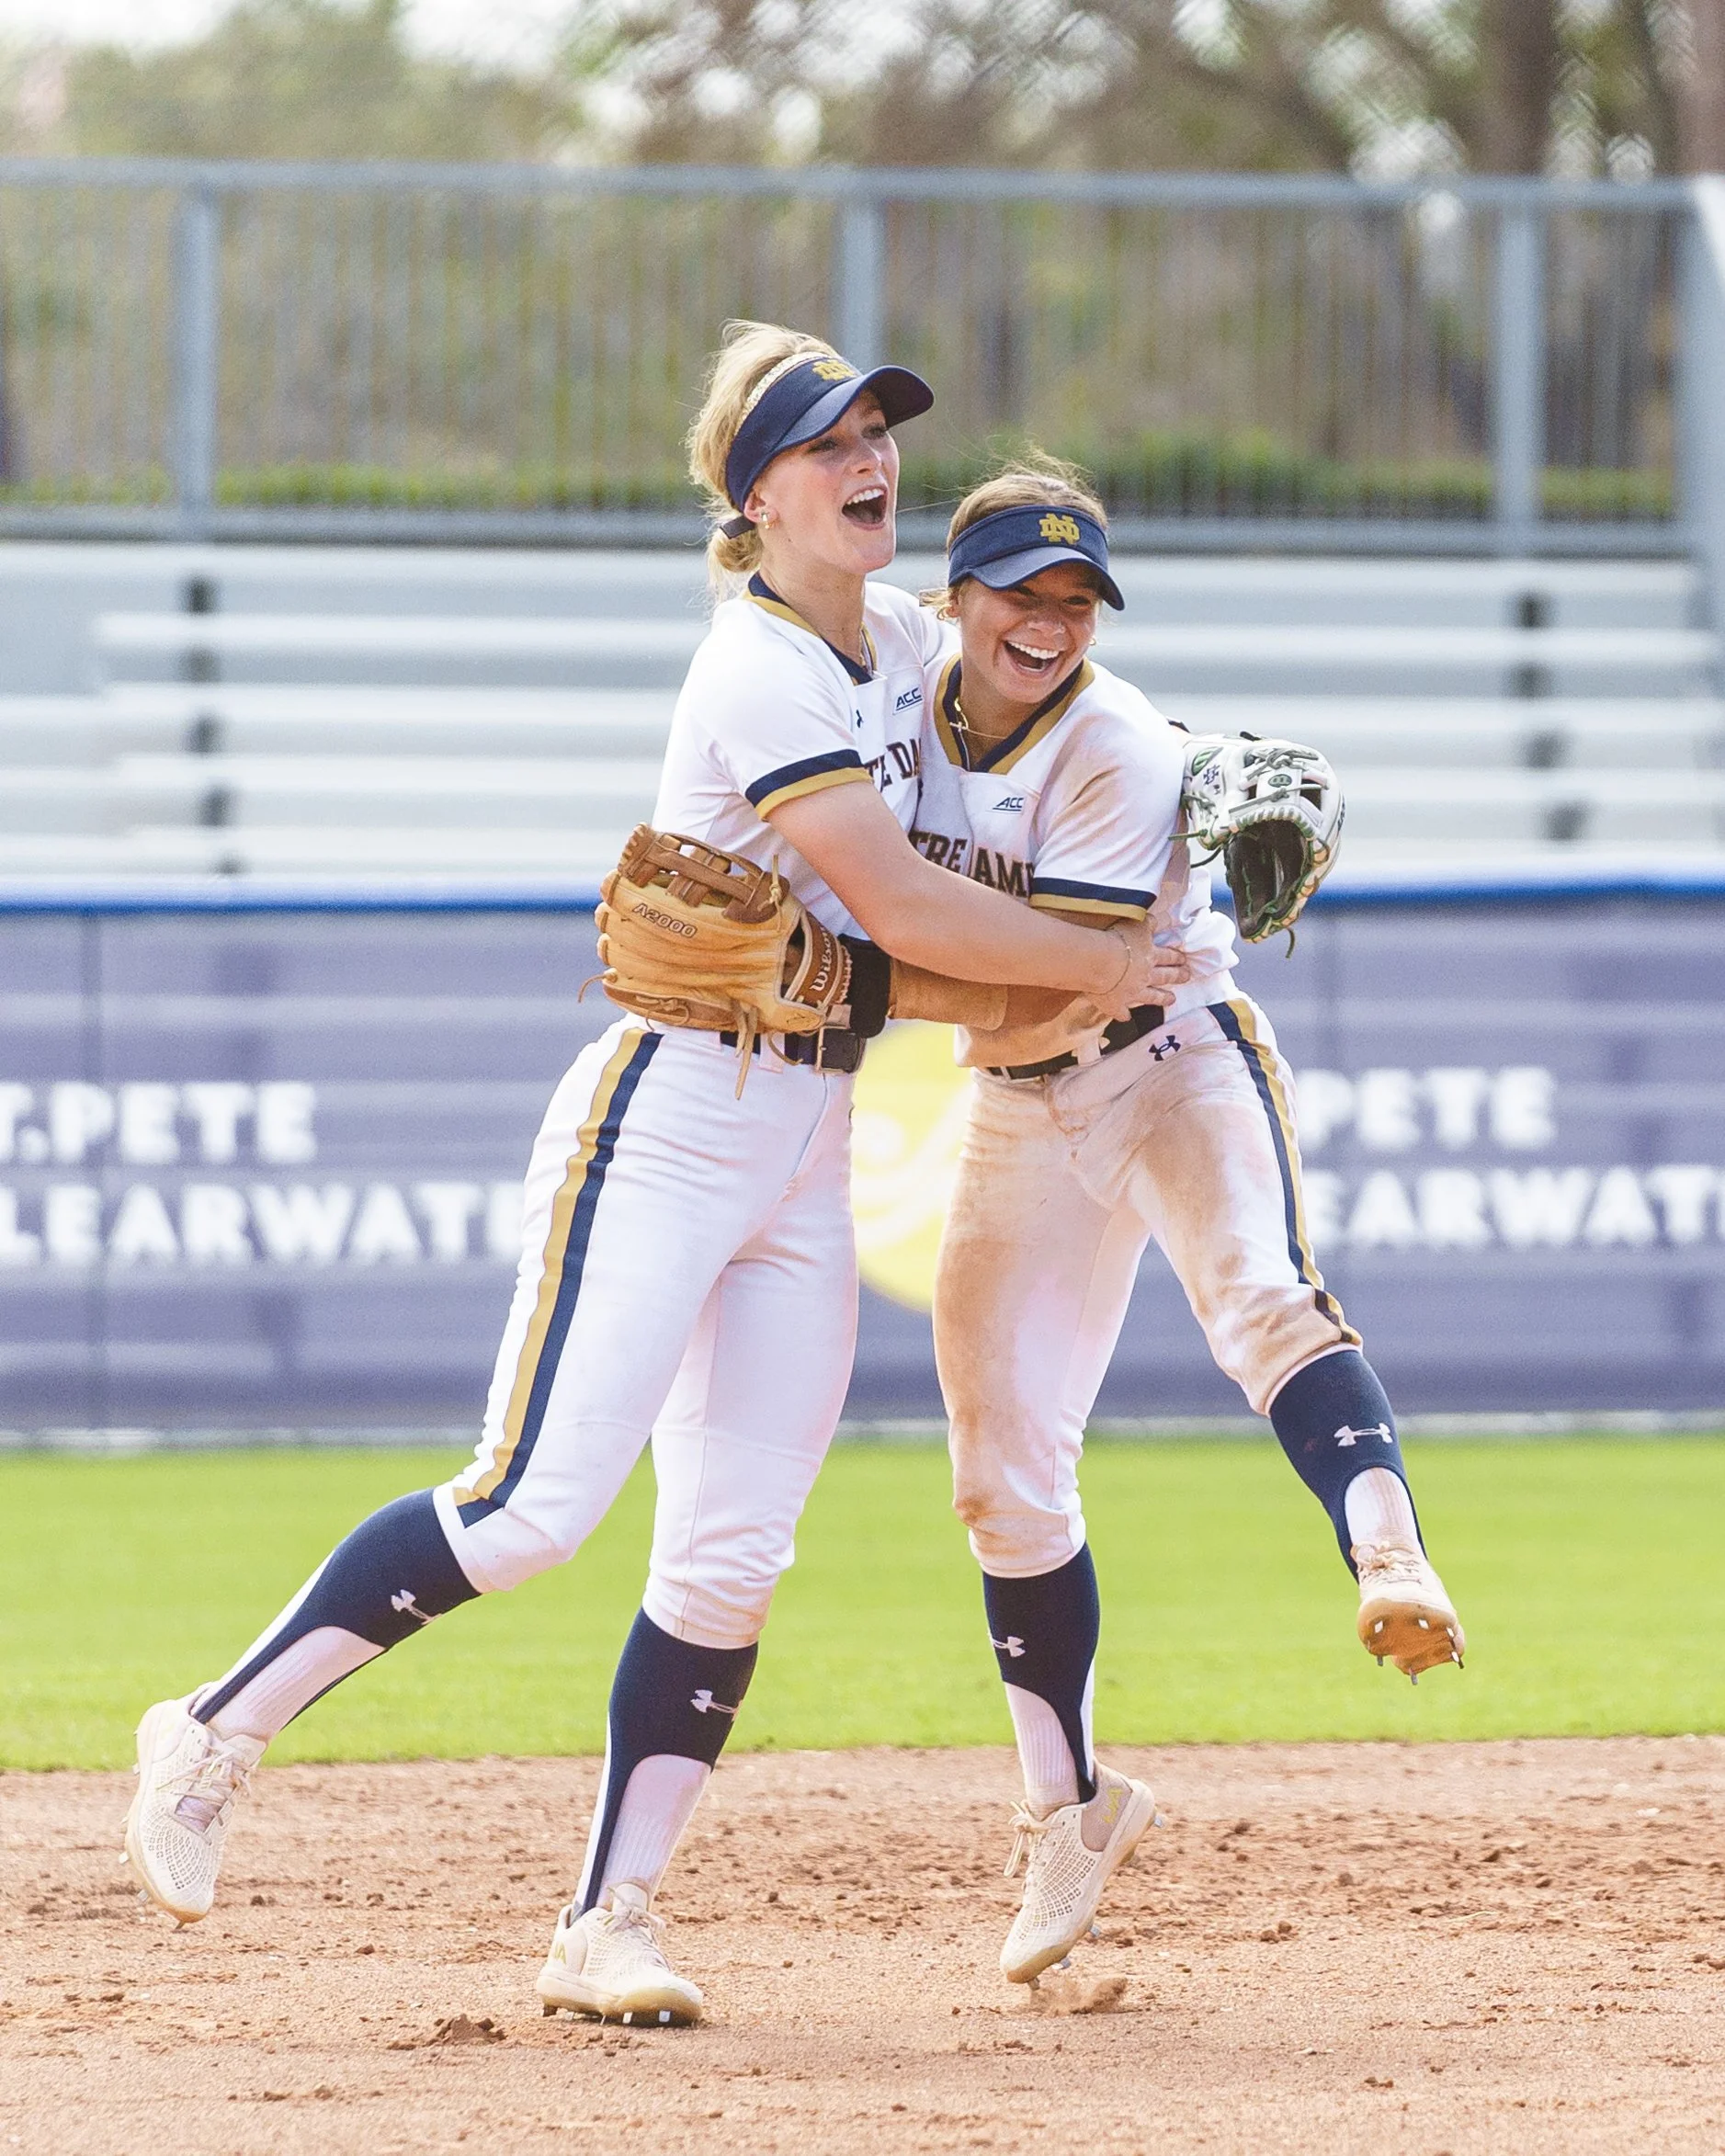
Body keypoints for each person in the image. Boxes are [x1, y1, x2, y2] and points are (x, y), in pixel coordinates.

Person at [121, 329, 1186, 2029]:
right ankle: (211, 1732)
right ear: (755, 492)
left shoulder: (898, 640)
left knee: (729, 1560)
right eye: (827, 439)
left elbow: (1031, 673)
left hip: (813, 1138)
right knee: (535, 1506)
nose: (873, 458)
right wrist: (1086, 967)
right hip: (671, 1117)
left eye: (881, 433)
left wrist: (1183, 760)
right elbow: (902, 913)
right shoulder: (754, 670)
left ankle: (605, 1916)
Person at [911, 456, 1467, 1987]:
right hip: (1016, 1101)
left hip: (1167, 1056)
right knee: (997, 1469)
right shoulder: (899, 676)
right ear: (952, 597)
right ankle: (1071, 1807)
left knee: (1262, 1300)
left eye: (1078, 597)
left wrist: (862, 969)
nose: (1050, 619)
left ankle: (1389, 1555)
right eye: (1022, 590)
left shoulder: (1111, 744)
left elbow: (1063, 971)